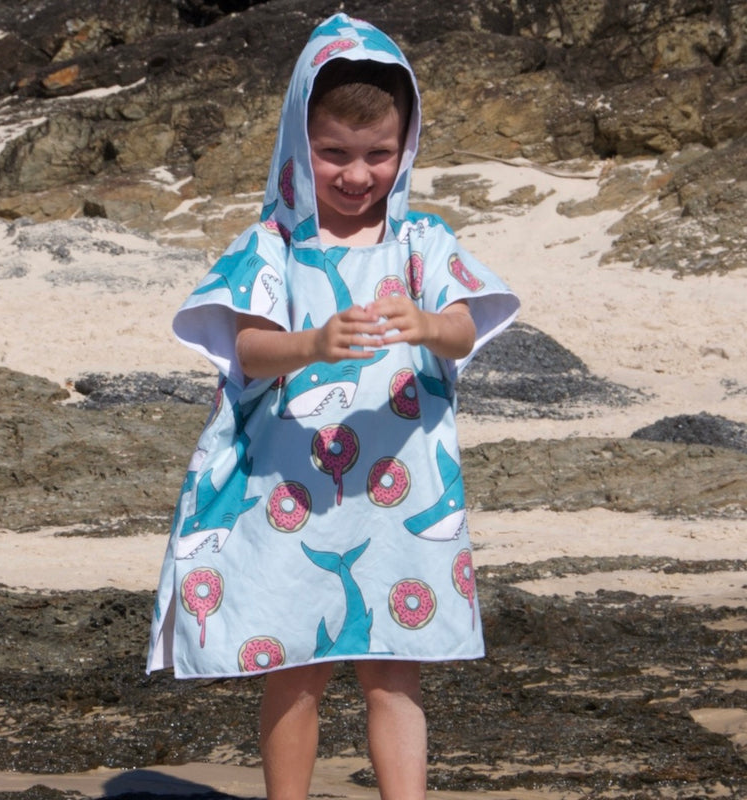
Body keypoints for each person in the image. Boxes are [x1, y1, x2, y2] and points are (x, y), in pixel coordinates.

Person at [147, 12, 520, 800]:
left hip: (401, 493)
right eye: (333, 154)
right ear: (297, 144)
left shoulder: (423, 243)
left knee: (395, 671)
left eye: (379, 154)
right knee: (296, 665)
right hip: (291, 494)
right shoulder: (273, 246)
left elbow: (464, 328)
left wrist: (426, 324)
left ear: (406, 147)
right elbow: (247, 349)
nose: (357, 175)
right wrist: (313, 345)